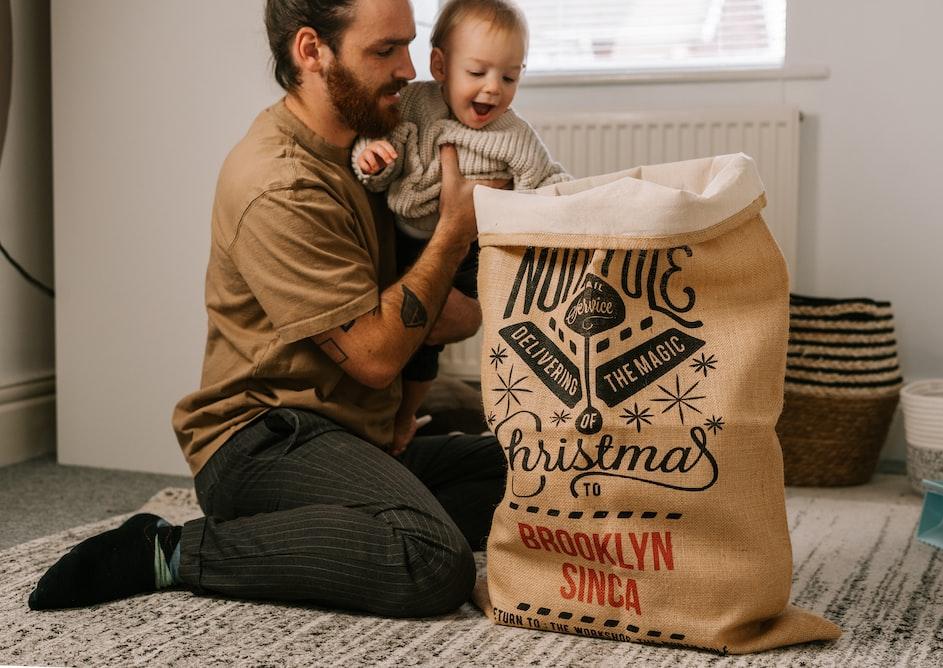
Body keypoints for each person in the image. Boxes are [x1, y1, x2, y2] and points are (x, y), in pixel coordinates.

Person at [27, 0, 508, 617]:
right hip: (261, 439)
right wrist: (452, 233)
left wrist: (427, 294)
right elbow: (376, 356)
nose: (409, 69)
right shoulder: (278, 182)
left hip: (353, 430)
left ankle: (361, 518)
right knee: (432, 561)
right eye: (384, 50)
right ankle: (167, 550)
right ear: (312, 51)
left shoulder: (380, 153)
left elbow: (459, 315)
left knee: (534, 469)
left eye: (408, 46)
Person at [352, 0, 571, 445]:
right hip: (405, 236)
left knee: (431, 340)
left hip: (469, 250)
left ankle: (405, 419)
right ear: (440, 65)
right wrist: (370, 160)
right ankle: (386, 416)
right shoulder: (413, 104)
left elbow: (545, 180)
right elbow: (380, 148)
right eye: (478, 73)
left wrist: (570, 201)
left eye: (509, 77)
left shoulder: (513, 136)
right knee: (395, 326)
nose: (493, 89)